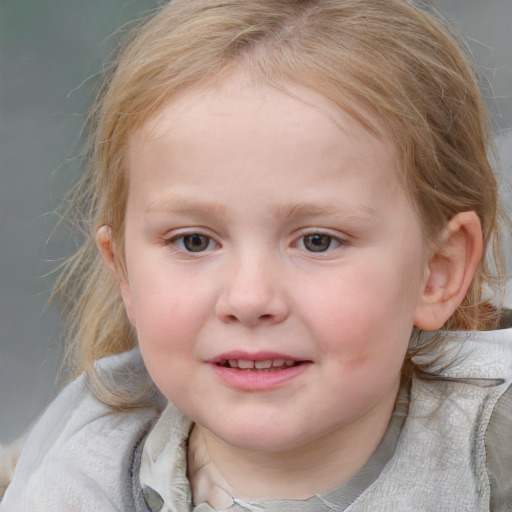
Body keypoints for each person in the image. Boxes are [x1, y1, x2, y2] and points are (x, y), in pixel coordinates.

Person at [1, 0, 511, 510]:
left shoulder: (492, 457)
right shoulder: (69, 479)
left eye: (317, 241)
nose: (249, 299)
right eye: (194, 241)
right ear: (126, 274)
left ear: (437, 271)